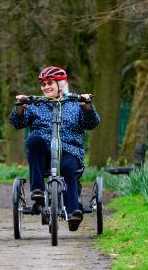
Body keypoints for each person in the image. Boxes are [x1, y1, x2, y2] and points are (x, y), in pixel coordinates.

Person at [8, 66, 100, 231]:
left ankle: (73, 212)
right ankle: (37, 189)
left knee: (67, 169)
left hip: (69, 151)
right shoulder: (36, 105)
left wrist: (87, 106)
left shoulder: (74, 105)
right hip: (44, 155)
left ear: (61, 84)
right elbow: (17, 122)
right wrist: (20, 107)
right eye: (43, 84)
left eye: (49, 83)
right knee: (34, 140)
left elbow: (92, 123)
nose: (45, 87)